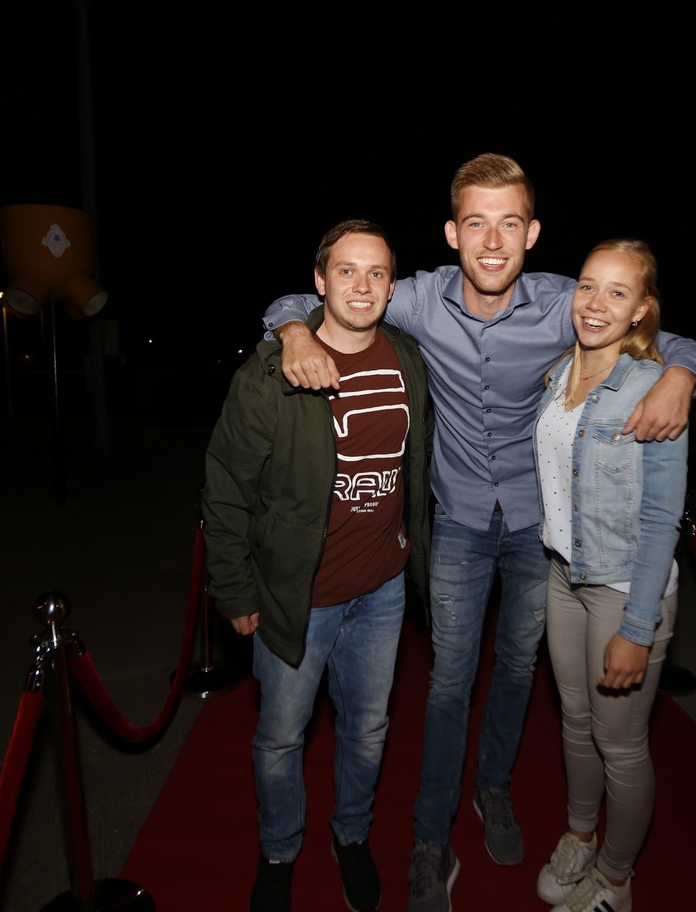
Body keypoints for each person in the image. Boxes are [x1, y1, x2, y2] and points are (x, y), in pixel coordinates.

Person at [262, 153, 696, 912]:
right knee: (448, 680)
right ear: (453, 232)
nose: (493, 241)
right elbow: (308, 296)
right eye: (477, 223)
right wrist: (293, 335)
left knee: (516, 671)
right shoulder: (417, 298)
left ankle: (494, 788)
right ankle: (429, 838)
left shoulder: (567, 301)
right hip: (459, 523)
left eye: (510, 223)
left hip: (541, 530)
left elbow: (665, 332)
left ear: (532, 233)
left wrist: (683, 375)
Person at [203, 219, 432, 912]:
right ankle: (280, 850)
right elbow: (226, 486)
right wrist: (234, 588)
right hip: (297, 597)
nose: (361, 286)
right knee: (280, 738)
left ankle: (351, 835)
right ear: (319, 280)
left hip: (383, 591)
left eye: (376, 273)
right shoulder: (272, 371)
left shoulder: (408, 359)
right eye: (346, 271)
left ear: (392, 285)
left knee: (369, 730)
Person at [531, 239, 688, 912]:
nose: (596, 304)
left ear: (641, 310)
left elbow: (662, 518)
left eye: (617, 293)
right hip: (563, 576)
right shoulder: (558, 372)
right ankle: (579, 836)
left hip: (625, 588)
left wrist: (638, 626)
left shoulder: (653, 387)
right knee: (575, 721)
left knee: (619, 744)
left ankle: (616, 879)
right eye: (588, 286)